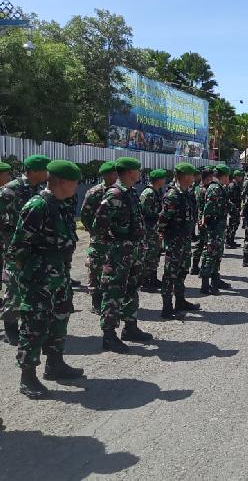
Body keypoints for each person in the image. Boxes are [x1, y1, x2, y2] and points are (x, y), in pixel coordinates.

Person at [10, 160, 83, 398]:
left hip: (59, 273)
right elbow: (19, 248)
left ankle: (55, 364)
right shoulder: (38, 205)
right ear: (62, 182)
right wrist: (28, 280)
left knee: (60, 316)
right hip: (39, 278)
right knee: (35, 324)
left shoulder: (61, 204)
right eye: (74, 182)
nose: (76, 187)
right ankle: (27, 376)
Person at [93, 157, 153, 353]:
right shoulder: (115, 194)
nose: (140, 172)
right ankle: (109, 336)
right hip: (119, 252)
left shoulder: (131, 193)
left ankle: (130, 327)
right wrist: (111, 245)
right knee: (114, 292)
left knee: (132, 289)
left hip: (133, 251)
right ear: (129, 172)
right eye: (137, 169)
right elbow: (99, 224)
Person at [0, 154, 51, 347]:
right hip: (13, 245)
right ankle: (11, 328)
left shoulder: (35, 189)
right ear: (36, 171)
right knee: (13, 287)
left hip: (32, 247)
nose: (47, 174)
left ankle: (28, 325)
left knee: (28, 285)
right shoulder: (10, 190)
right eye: (45, 170)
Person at [158, 163, 200, 319]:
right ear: (184, 176)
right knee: (170, 274)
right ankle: (167, 308)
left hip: (185, 239)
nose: (194, 178)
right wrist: (164, 236)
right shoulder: (172, 195)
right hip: (174, 240)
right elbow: (163, 220)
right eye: (191, 175)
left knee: (182, 271)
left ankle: (180, 301)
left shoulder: (187, 193)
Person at [80, 161, 118, 314]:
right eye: (114, 174)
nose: (116, 176)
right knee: (96, 266)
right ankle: (96, 300)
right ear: (107, 175)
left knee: (113, 267)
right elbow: (85, 215)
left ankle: (110, 299)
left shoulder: (119, 191)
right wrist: (95, 231)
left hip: (115, 238)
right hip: (99, 237)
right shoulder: (95, 192)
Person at [199, 164, 232, 295]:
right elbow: (209, 208)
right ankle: (205, 284)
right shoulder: (214, 188)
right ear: (223, 176)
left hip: (219, 226)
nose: (228, 179)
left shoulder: (219, 187)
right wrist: (207, 222)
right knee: (211, 254)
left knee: (217, 254)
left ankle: (215, 279)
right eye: (227, 176)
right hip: (214, 226)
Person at [140, 169, 166, 292]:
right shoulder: (148, 193)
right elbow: (144, 212)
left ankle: (153, 278)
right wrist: (159, 214)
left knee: (155, 253)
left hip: (155, 228)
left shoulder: (157, 192)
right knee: (148, 254)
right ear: (158, 180)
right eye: (163, 178)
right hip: (148, 229)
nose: (164, 181)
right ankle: (145, 282)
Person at [191, 168, 213, 275]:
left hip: (200, 217)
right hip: (205, 218)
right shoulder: (205, 190)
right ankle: (201, 269)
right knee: (204, 243)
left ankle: (195, 266)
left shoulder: (197, 188)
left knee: (200, 243)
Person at [225, 170, 244, 249]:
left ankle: (231, 240)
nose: (241, 178)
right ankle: (228, 241)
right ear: (236, 176)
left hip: (236, 208)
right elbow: (229, 198)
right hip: (233, 208)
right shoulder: (232, 185)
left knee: (235, 224)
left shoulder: (237, 185)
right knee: (232, 225)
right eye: (240, 176)